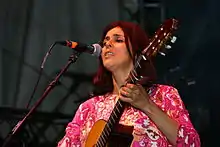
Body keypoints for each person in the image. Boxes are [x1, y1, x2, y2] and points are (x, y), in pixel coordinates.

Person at [57, 21, 201, 147]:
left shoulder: (164, 95)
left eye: (118, 40)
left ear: (137, 51)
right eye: (105, 41)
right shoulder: (89, 108)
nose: (107, 44)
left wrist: (147, 105)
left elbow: (191, 143)